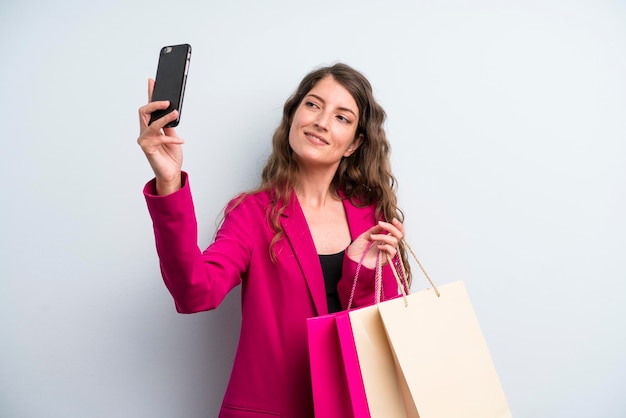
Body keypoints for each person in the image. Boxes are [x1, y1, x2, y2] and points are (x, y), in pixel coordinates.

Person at [137, 63, 411, 418]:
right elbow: (194, 294)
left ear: (355, 143)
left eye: (342, 117)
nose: (322, 121)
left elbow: (381, 340)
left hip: (356, 409)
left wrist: (361, 271)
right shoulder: (252, 213)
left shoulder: (371, 219)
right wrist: (169, 182)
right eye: (313, 105)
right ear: (293, 116)